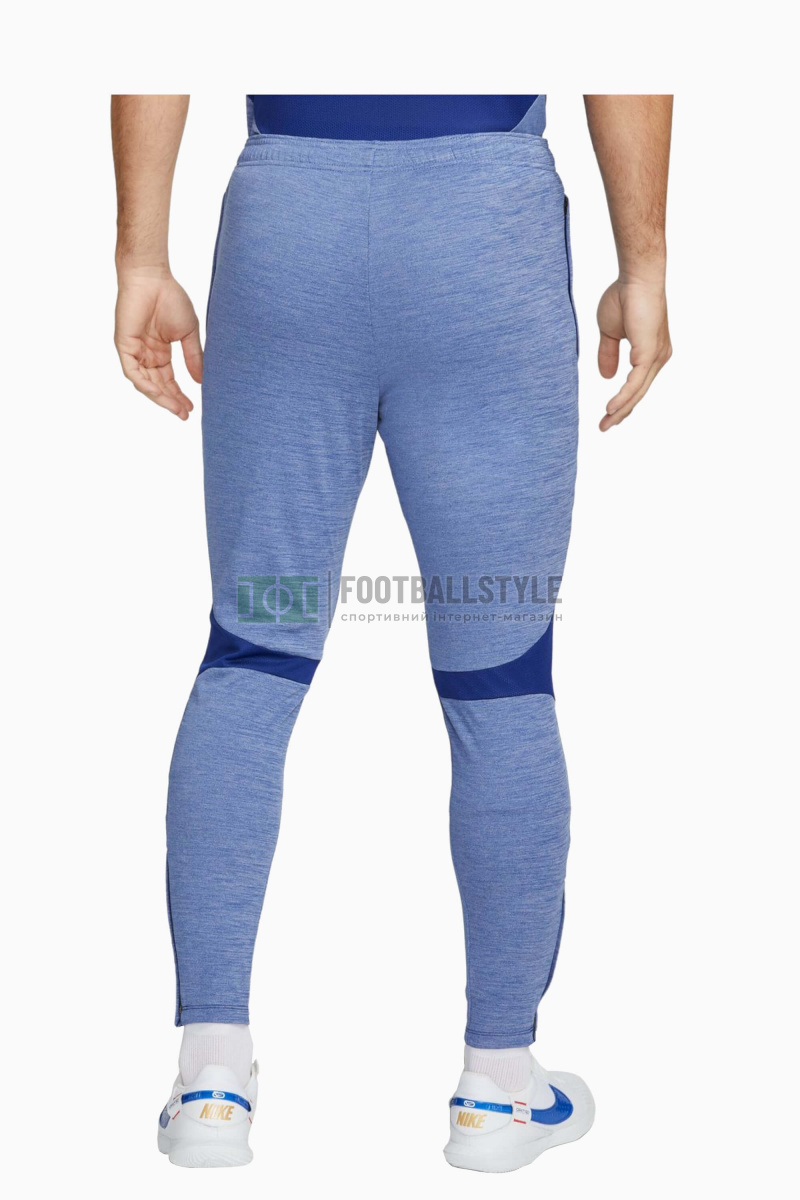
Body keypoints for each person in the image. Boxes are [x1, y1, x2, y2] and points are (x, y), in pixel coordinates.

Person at [112, 93, 672, 1171]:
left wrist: (141, 253)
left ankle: (210, 1081)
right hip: (483, 234)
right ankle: (498, 1089)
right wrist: (641, 263)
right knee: (500, 675)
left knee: (254, 652)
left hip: (289, 223)